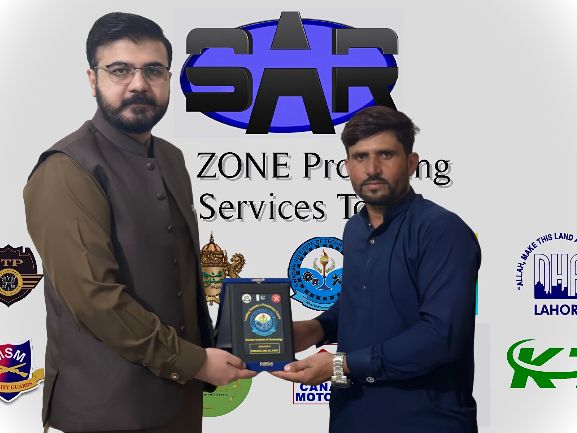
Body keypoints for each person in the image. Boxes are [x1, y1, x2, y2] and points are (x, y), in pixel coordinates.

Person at [23, 12, 255, 433]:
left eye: (153, 71)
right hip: (103, 412)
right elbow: (95, 299)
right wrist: (195, 361)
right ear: (92, 80)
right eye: (120, 70)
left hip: (180, 403)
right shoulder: (66, 170)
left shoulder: (171, 158)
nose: (138, 84)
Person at [273, 106, 480, 433]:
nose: (372, 169)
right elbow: (363, 302)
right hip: (351, 417)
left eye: (385, 154)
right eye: (360, 157)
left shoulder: (442, 230)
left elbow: (442, 336)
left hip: (425, 422)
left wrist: (340, 364)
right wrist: (313, 329)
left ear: (411, 163)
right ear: (347, 166)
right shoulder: (355, 229)